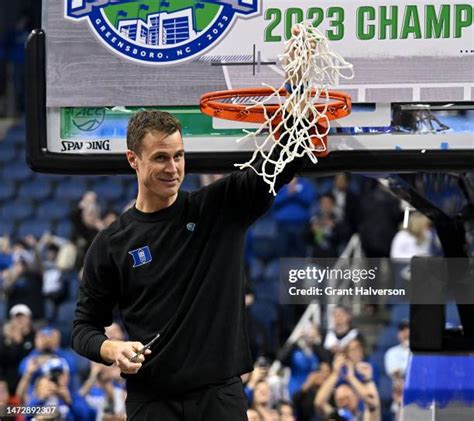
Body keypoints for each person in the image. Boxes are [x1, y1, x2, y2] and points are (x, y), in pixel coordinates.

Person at [72, 27, 313, 420]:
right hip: (152, 401)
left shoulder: (218, 208)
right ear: (134, 159)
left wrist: (298, 80)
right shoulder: (111, 243)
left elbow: (286, 156)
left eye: (179, 156)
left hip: (219, 397)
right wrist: (112, 349)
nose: (174, 168)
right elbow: (83, 327)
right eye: (161, 158)